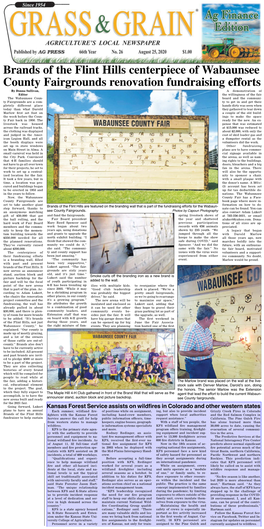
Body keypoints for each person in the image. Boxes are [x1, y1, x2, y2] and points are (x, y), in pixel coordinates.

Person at [179, 305, 231, 379]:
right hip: (196, 366)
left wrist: (223, 343)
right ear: (206, 319)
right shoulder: (191, 331)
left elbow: (210, 342)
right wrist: (203, 353)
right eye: (212, 319)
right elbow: (182, 352)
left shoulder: (206, 329)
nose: (213, 321)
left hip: (207, 362)